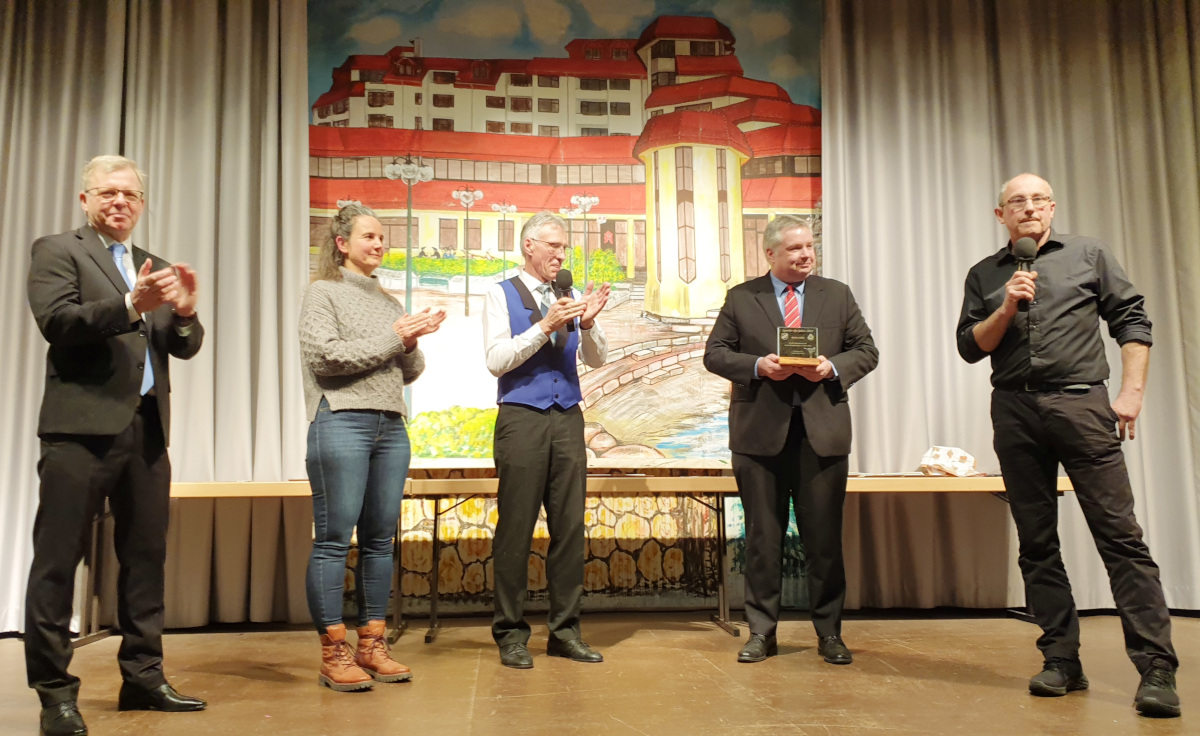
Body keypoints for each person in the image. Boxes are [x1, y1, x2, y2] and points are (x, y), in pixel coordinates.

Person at [956, 173, 1180, 718]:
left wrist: (1131, 392)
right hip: (1014, 411)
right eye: (1017, 202)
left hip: (1082, 405)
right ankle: (1061, 659)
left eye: (1038, 199)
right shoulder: (986, 274)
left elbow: (1132, 319)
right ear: (1001, 215)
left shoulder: (1089, 254)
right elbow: (970, 346)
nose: (1028, 208)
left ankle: (1156, 668)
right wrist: (1006, 307)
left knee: (1120, 537)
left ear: (1052, 208)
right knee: (1036, 543)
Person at [25, 155, 206, 736]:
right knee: (58, 563)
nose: (120, 201)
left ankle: (143, 678)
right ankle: (55, 694)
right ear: (86, 200)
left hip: (147, 432)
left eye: (129, 194)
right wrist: (131, 305)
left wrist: (184, 312)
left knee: (146, 559)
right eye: (107, 193)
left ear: (142, 203)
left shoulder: (155, 265)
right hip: (79, 432)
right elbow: (59, 323)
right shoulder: (58, 250)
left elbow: (182, 345)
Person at [704, 215, 878, 666]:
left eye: (809, 247)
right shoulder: (742, 297)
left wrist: (831, 368)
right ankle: (761, 632)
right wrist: (757, 366)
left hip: (822, 435)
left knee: (824, 541)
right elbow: (715, 354)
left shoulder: (836, 294)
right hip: (759, 437)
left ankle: (830, 633)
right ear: (770, 254)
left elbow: (866, 351)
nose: (806, 255)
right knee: (763, 540)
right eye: (795, 249)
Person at [299, 203, 445, 691]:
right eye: (369, 237)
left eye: (382, 237)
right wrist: (395, 336)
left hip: (390, 426)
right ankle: (333, 652)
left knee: (381, 540)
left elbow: (409, 370)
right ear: (342, 244)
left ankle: (372, 644)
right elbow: (326, 358)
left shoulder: (388, 300)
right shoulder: (323, 292)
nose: (379, 244)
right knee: (334, 539)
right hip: (341, 419)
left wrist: (411, 340)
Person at [483, 211, 610, 669]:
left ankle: (565, 632)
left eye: (564, 247)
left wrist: (588, 324)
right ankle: (510, 633)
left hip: (567, 418)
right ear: (529, 246)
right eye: (553, 246)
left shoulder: (566, 296)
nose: (560, 254)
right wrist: (544, 326)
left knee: (569, 529)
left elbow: (597, 360)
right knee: (516, 529)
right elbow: (496, 360)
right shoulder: (500, 293)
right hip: (521, 418)